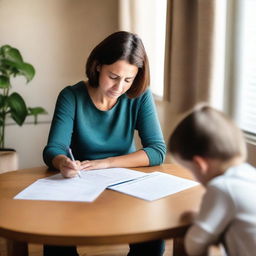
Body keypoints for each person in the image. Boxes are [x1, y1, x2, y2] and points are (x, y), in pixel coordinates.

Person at [43, 31, 166, 256]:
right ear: (98, 66)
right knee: (55, 239)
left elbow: (157, 151)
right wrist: (62, 163)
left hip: (125, 183)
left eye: (128, 80)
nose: (119, 87)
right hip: (79, 184)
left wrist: (106, 163)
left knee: (153, 241)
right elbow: (53, 149)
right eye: (114, 76)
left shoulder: (139, 95)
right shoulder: (71, 96)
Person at [168, 103, 256, 256]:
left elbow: (195, 245)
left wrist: (193, 222)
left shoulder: (222, 187)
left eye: (189, 170)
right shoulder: (250, 175)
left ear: (199, 164)